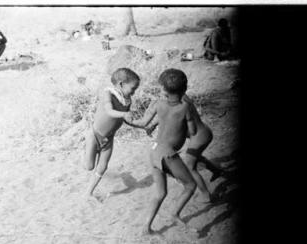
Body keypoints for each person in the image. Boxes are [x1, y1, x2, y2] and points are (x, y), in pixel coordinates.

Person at [125, 69, 197, 235]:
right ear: (185, 90)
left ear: (163, 89)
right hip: (168, 154)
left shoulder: (158, 103)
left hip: (153, 150)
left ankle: (146, 227)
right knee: (190, 185)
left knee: (160, 192)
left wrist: (127, 120)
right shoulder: (185, 107)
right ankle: (175, 214)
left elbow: (143, 122)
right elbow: (192, 132)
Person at [145, 95, 223, 204]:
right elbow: (169, 114)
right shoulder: (178, 99)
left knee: (190, 165)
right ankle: (216, 170)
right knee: (195, 157)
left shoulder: (180, 101)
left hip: (199, 136)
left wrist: (152, 124)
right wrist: (153, 124)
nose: (162, 93)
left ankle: (206, 196)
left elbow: (171, 114)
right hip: (200, 134)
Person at [84, 68, 139, 201]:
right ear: (121, 84)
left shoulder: (127, 100)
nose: (134, 91)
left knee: (102, 167)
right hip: (95, 135)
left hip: (109, 138)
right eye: (133, 88)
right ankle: (85, 144)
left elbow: (125, 119)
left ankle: (89, 192)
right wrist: (124, 113)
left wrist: (142, 127)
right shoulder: (108, 94)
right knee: (89, 166)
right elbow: (109, 111)